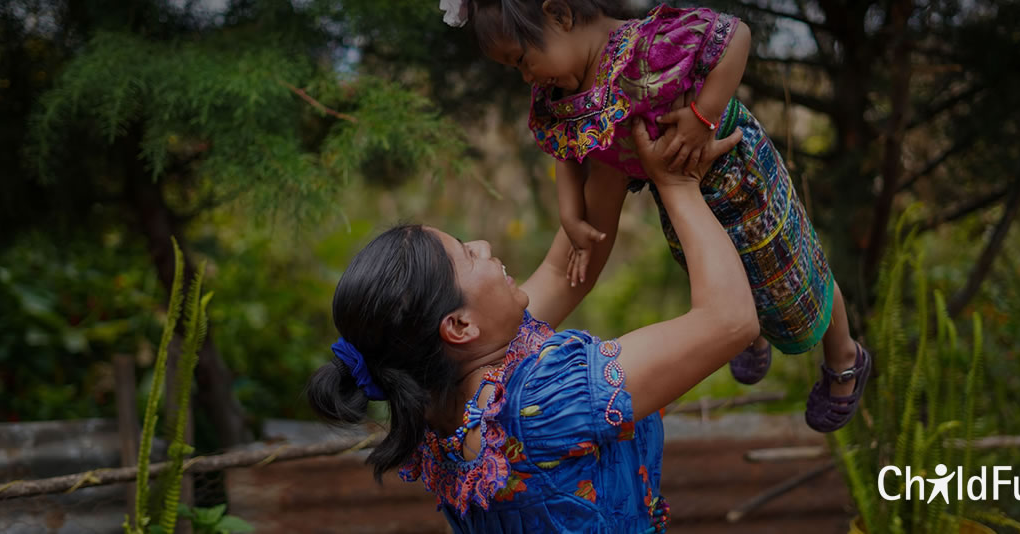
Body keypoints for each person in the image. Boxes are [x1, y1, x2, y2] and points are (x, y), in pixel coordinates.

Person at [436, 0, 870, 431]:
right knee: (708, 266)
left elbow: (736, 37)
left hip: (740, 175)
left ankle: (844, 358)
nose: (526, 78)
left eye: (520, 60)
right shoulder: (564, 87)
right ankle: (750, 334)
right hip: (682, 194)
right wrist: (570, 213)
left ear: (559, 15)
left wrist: (701, 119)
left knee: (795, 267)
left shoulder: (646, 47)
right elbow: (566, 147)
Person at [308, 121, 757, 532]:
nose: (483, 246)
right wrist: (677, 183)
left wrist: (613, 136)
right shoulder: (540, 403)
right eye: (467, 254)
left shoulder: (444, 397)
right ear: (459, 325)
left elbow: (568, 272)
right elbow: (729, 320)